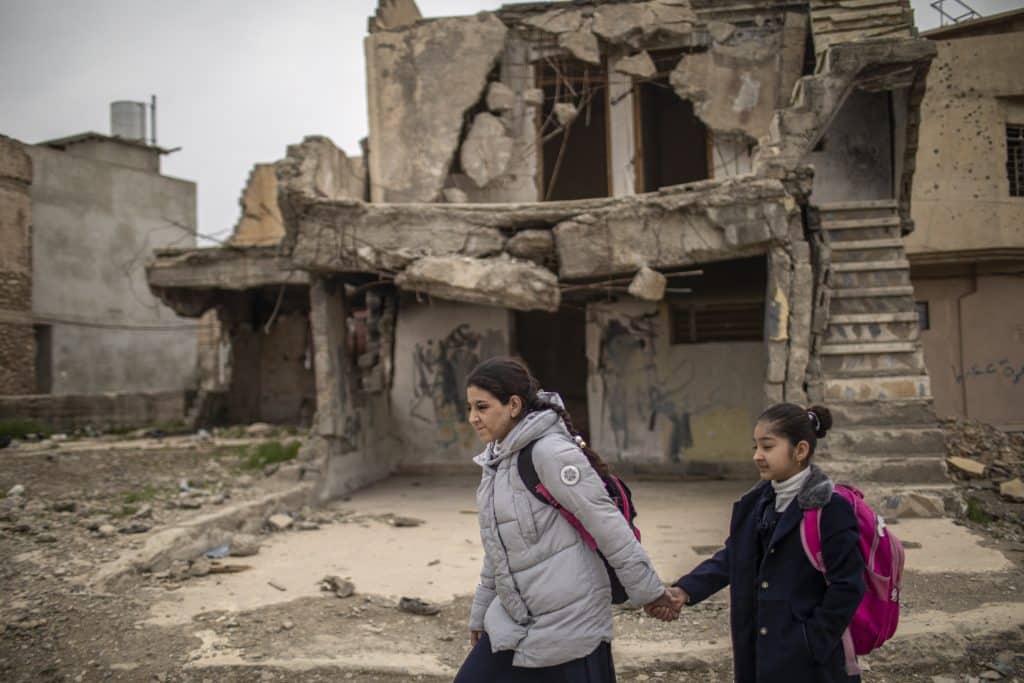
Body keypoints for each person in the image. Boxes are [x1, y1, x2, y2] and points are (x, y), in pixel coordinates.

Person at [455, 357, 682, 683]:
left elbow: (606, 524)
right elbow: (497, 547)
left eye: (482, 407)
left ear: (514, 405)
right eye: (469, 408)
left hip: (573, 621)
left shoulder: (549, 452)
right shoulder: (495, 462)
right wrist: (480, 614)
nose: (473, 418)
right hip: (518, 619)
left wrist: (649, 592)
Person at [647, 403, 866, 683]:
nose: (757, 456)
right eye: (756, 447)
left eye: (767, 447)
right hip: (760, 654)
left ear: (800, 450)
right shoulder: (756, 503)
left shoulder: (828, 507)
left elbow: (848, 586)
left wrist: (811, 641)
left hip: (812, 667)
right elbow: (733, 557)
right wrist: (684, 591)